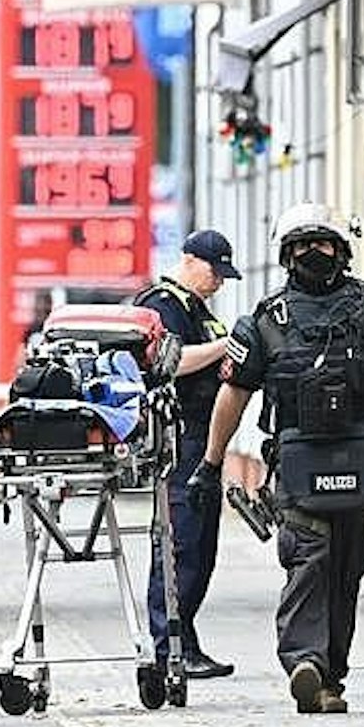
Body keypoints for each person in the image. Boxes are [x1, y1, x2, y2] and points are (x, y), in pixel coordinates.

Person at [187, 203, 364, 714]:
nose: (310, 255)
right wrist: (211, 463)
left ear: (341, 252)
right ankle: (311, 665)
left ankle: (323, 674)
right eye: (301, 247)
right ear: (285, 255)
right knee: (314, 561)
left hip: (351, 466)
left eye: (319, 245)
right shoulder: (266, 319)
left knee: (339, 568)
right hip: (313, 466)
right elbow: (233, 394)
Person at [133, 229, 240, 680]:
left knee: (202, 547)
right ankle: (167, 645)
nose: (218, 281)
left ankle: (185, 638)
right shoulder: (162, 305)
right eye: (215, 272)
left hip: (203, 440)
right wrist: (228, 346)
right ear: (191, 260)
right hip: (179, 440)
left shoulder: (195, 307)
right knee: (180, 545)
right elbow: (169, 362)